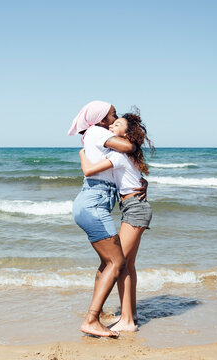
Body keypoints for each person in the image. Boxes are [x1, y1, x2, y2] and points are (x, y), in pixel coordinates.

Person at [68, 101, 147, 338]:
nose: (113, 119)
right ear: (100, 117)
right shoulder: (98, 131)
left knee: (108, 263)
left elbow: (123, 169)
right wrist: (132, 137)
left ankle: (99, 313)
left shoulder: (95, 137)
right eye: (112, 115)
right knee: (117, 262)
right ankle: (91, 320)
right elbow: (127, 147)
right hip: (94, 202)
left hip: (91, 200)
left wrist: (140, 182)